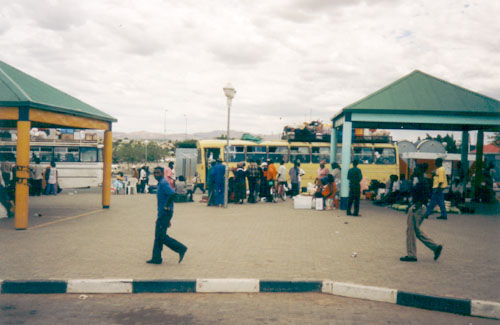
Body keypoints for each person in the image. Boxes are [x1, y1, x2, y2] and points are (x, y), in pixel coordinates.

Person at [400, 164, 443, 262]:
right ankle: (435, 247)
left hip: (418, 208)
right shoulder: (422, 181)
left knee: (411, 231)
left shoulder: (421, 182)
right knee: (417, 232)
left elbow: (421, 196)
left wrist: (415, 207)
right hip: (420, 207)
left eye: (415, 170)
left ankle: (411, 255)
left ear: (419, 171)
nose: (413, 171)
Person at [146, 166, 188, 265]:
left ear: (162, 173)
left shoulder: (164, 183)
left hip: (165, 213)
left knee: (160, 236)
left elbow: (172, 194)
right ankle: (156, 258)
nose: (156, 175)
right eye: (155, 173)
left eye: (158, 173)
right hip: (163, 213)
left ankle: (181, 248)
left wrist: (167, 206)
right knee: (159, 236)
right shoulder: (161, 183)